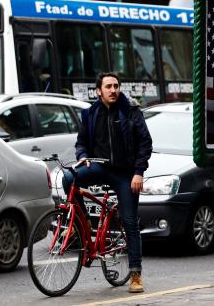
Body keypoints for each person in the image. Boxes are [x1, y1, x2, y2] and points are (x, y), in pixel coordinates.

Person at [62, 72, 152, 293]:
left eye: (116, 86)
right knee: (67, 178)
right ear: (98, 91)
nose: (113, 90)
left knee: (130, 221)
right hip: (99, 166)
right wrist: (82, 154)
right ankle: (81, 227)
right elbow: (81, 141)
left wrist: (138, 172)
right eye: (109, 86)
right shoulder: (90, 113)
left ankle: (136, 274)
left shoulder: (130, 111)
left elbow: (145, 143)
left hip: (124, 173)